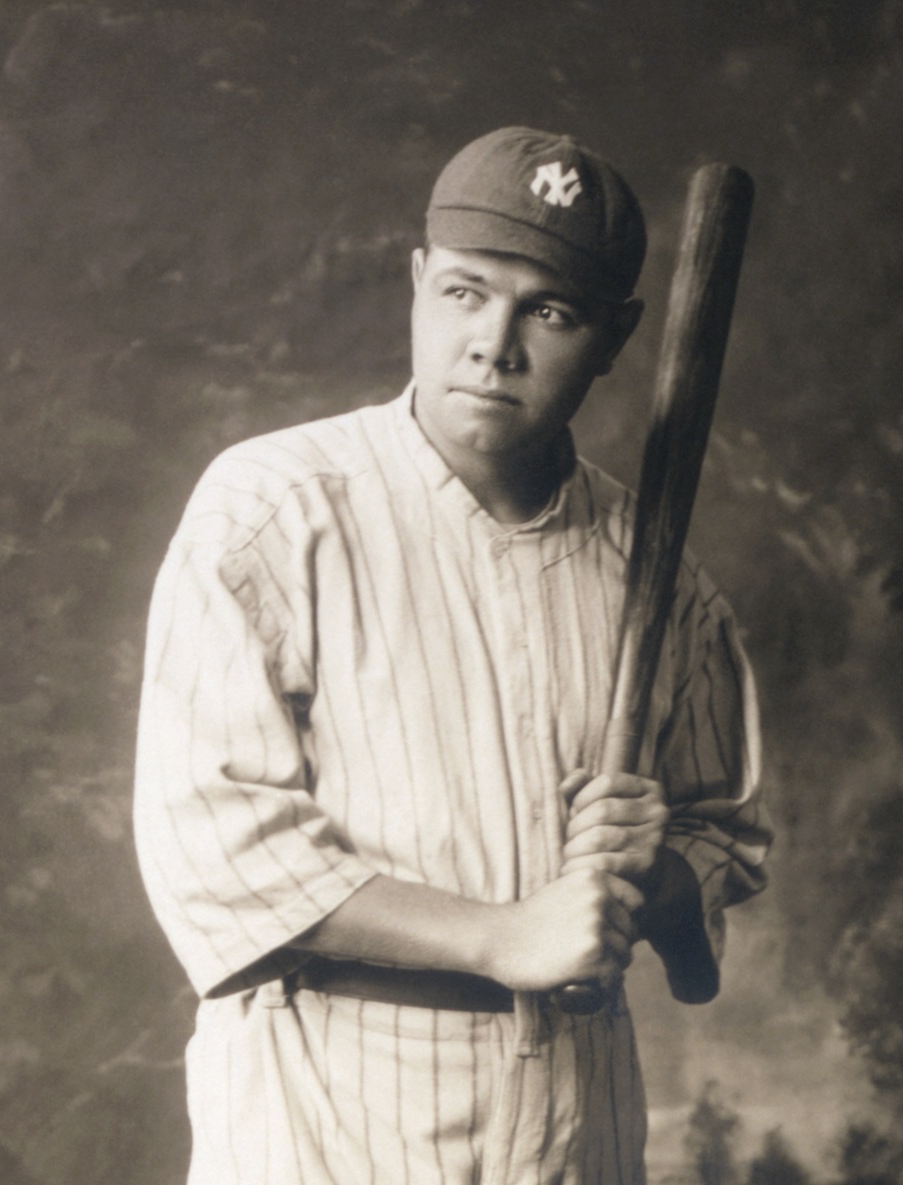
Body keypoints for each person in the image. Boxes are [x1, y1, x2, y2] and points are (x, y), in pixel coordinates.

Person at [134, 126, 771, 1185]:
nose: (496, 344)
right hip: (325, 1119)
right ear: (420, 283)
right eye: (469, 293)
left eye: (550, 312)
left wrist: (650, 872)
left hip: (575, 1122)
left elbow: (723, 850)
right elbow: (216, 845)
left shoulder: (659, 576)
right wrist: (502, 935)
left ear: (615, 336)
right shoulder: (275, 510)